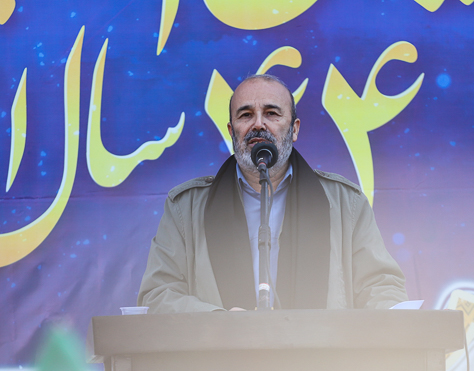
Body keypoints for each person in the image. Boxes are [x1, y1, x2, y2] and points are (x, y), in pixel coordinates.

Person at [138, 73, 408, 312]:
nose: (258, 124)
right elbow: (158, 295)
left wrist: (394, 315)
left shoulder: (346, 203)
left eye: (271, 113)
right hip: (222, 352)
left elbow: (381, 286)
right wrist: (218, 321)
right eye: (246, 115)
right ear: (231, 131)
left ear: (294, 129)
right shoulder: (185, 208)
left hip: (320, 352)